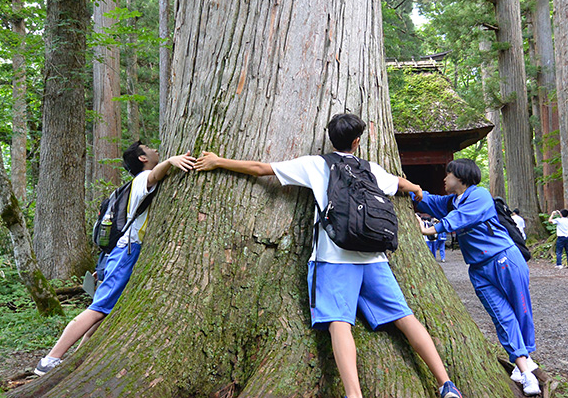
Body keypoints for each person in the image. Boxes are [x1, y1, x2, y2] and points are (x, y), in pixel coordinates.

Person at [193, 114, 463, 398]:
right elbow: (401, 184)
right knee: (405, 317)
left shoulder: (316, 164)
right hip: (374, 258)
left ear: (330, 137)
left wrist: (218, 161)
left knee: (339, 323)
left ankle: (354, 394)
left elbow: (261, 169)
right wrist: (418, 190)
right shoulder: (371, 169)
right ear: (357, 142)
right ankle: (446, 384)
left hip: (334, 257)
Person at [35, 142, 195, 376]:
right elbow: (153, 177)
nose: (155, 149)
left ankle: (76, 361)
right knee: (98, 308)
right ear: (142, 158)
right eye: (148, 148)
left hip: (118, 253)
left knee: (103, 315)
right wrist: (170, 162)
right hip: (126, 252)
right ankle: (50, 359)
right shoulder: (141, 179)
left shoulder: (128, 187)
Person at [413, 159, 540, 396]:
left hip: (504, 259)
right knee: (502, 317)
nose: (444, 178)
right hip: (479, 270)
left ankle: (526, 360)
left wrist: (429, 230)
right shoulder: (451, 201)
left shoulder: (480, 195)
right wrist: (407, 188)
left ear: (460, 177)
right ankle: (525, 370)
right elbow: (428, 200)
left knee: (520, 309)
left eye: (448, 174)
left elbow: (463, 218)